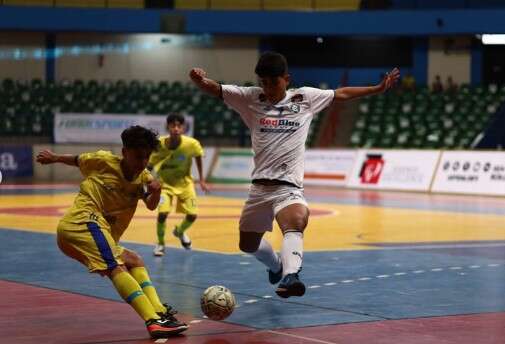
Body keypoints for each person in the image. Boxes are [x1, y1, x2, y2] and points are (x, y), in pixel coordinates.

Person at [189, 51, 399, 298]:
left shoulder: (305, 98)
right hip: (258, 189)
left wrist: (375, 89)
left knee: (296, 221)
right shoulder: (250, 98)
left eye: (273, 82)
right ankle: (276, 266)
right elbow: (218, 89)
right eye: (263, 83)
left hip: (288, 187)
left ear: (286, 79)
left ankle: (291, 276)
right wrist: (201, 81)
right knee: (247, 244)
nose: (267, 88)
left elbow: (340, 94)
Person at [36, 125, 188, 338]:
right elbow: (78, 159)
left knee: (133, 260)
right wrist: (55, 157)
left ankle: (160, 312)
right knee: (116, 267)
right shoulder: (104, 161)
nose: (143, 162)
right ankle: (153, 321)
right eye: (138, 156)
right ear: (125, 152)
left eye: (147, 157)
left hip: (93, 231)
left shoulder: (143, 177)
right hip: (82, 222)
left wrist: (156, 192)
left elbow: (152, 205)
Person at [148, 113, 209, 256]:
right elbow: (149, 165)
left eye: (179, 126)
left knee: (192, 215)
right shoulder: (159, 145)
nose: (176, 128)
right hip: (165, 184)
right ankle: (160, 244)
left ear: (183, 128)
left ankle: (179, 231)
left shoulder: (191, 144)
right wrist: (144, 180)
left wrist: (201, 179)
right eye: (172, 125)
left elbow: (198, 157)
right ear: (168, 127)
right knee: (162, 213)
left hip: (185, 184)